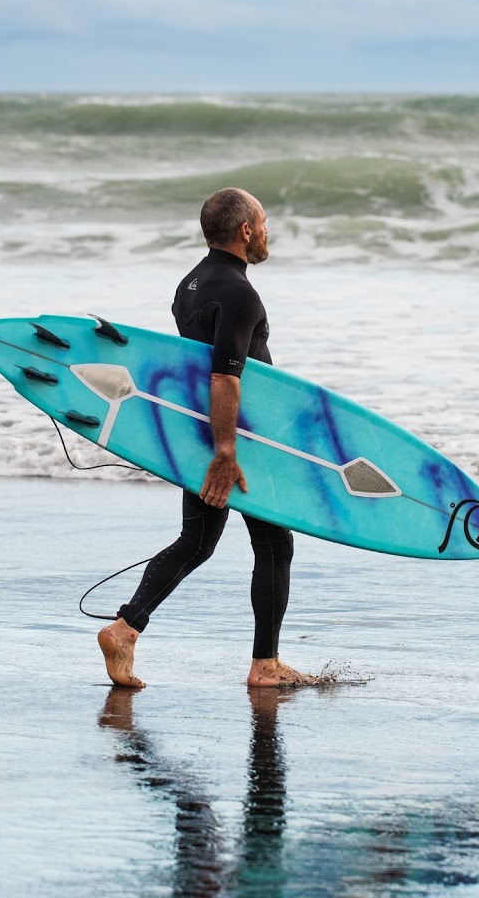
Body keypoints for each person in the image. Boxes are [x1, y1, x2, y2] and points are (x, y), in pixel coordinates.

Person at [98, 188, 316, 689]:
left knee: (196, 541)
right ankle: (265, 666)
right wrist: (226, 451)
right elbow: (224, 377)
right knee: (274, 546)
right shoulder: (240, 293)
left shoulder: (191, 284)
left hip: (202, 431)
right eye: (262, 223)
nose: (265, 231)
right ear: (245, 231)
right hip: (238, 440)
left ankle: (125, 628)